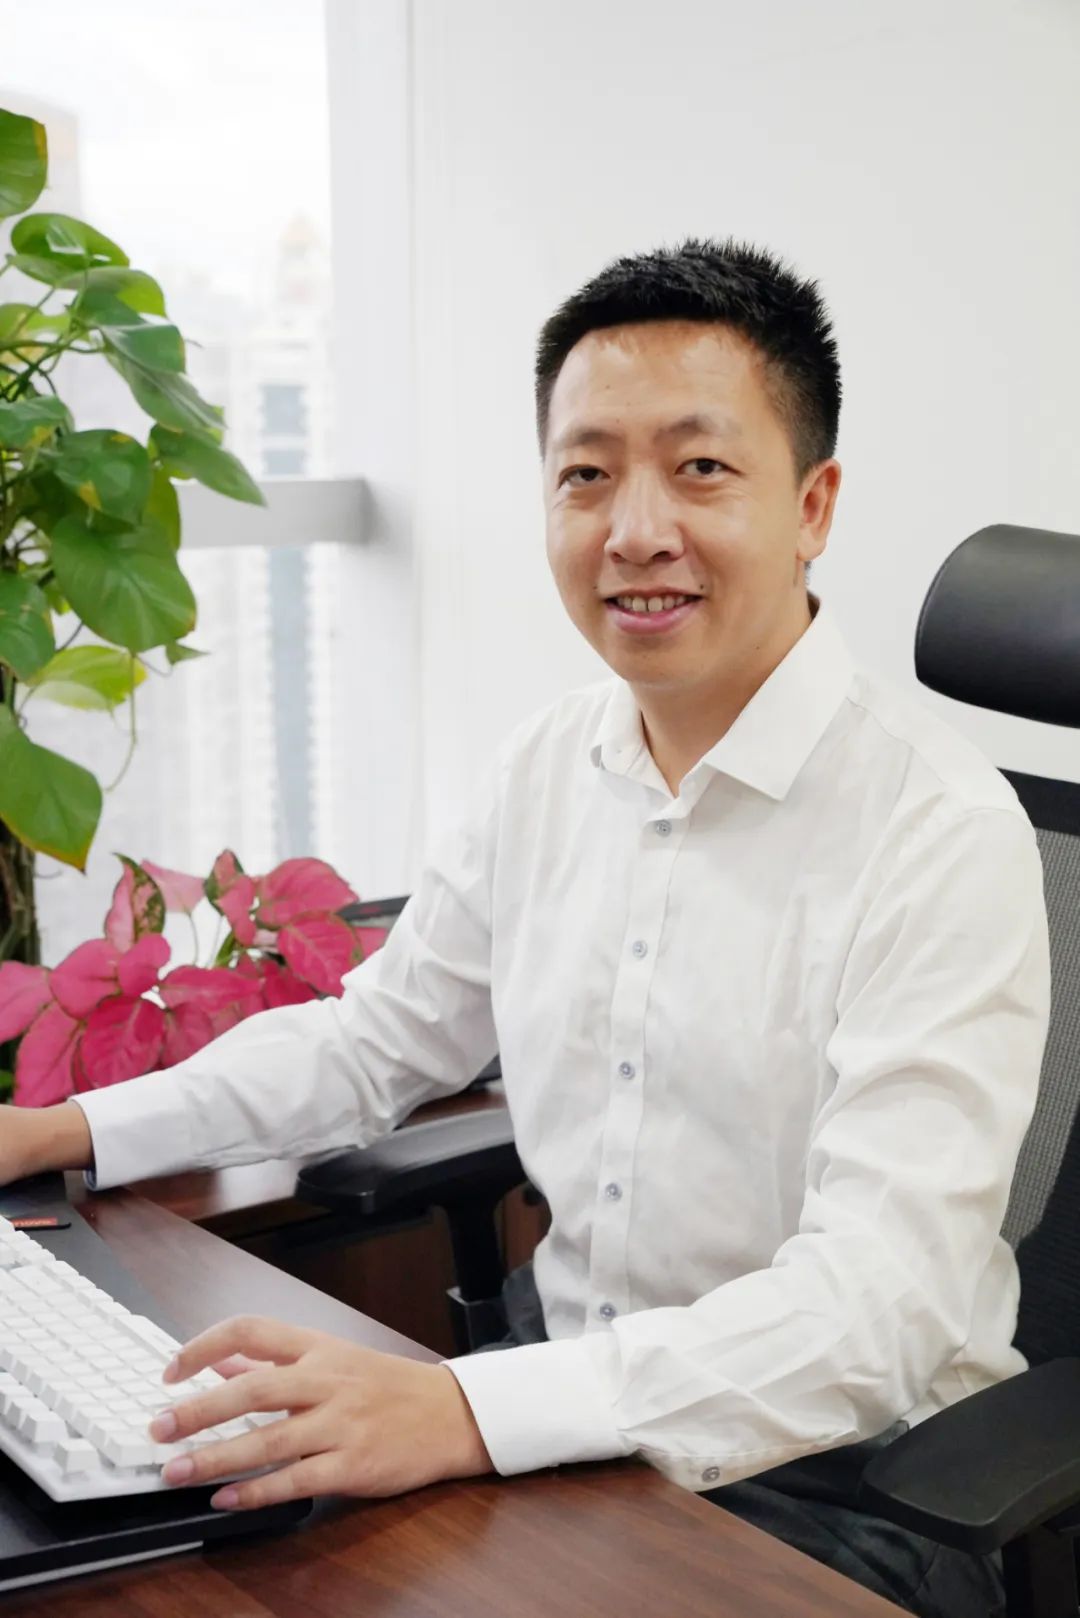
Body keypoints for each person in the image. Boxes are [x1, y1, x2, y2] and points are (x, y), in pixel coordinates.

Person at [0, 238, 1049, 1618]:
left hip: (845, 1486)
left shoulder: (938, 827)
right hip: (560, 1420)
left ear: (814, 505)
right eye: (586, 474)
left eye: (700, 468)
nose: (635, 531)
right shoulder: (552, 764)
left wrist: (465, 1410)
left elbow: (875, 1307)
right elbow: (375, 1042)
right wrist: (60, 1133)